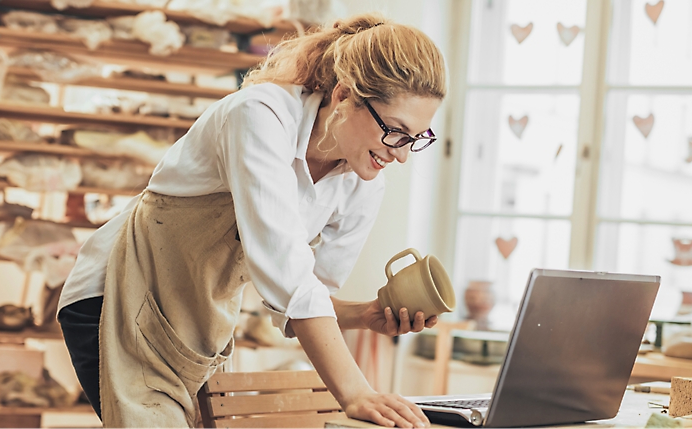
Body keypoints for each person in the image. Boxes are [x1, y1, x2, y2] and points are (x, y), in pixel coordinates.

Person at [57, 11, 447, 428]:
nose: (401, 153)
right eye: (394, 130)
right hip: (113, 298)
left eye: (415, 138)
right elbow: (290, 280)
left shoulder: (363, 183)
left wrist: (363, 313)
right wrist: (355, 393)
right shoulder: (259, 115)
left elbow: (303, 302)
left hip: (193, 330)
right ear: (345, 95)